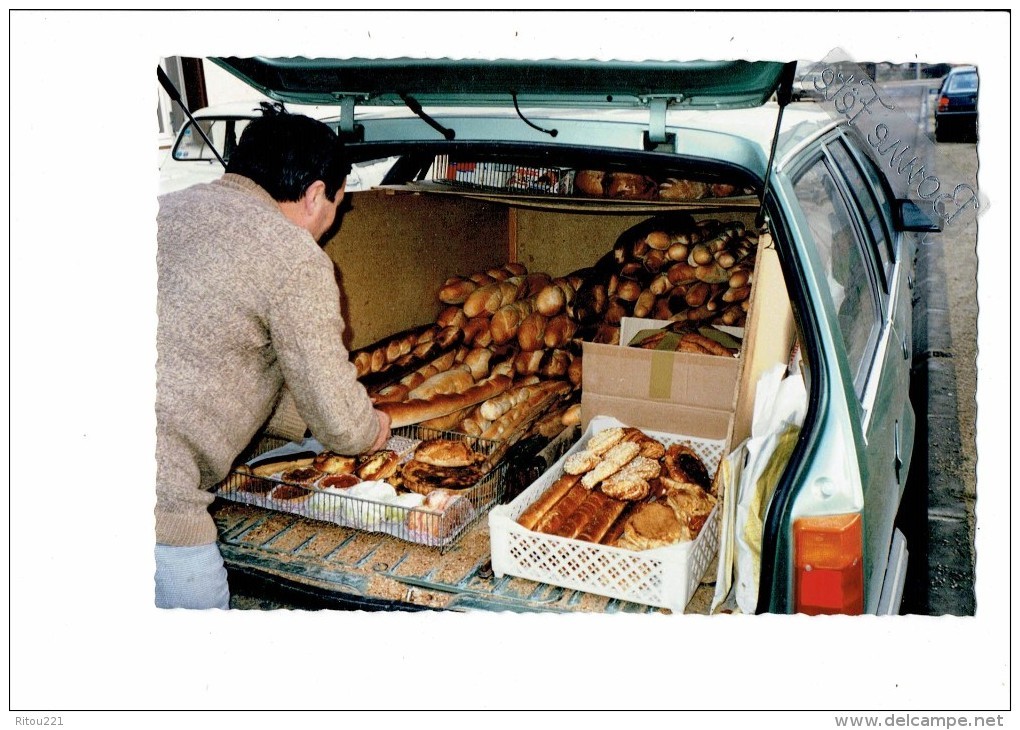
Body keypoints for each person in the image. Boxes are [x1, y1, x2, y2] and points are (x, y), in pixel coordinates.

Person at [155, 111, 391, 609]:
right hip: (161, 505)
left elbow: (223, 355)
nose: (333, 221)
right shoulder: (293, 256)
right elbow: (343, 426)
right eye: (338, 205)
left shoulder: (165, 209)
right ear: (314, 195)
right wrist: (374, 428)